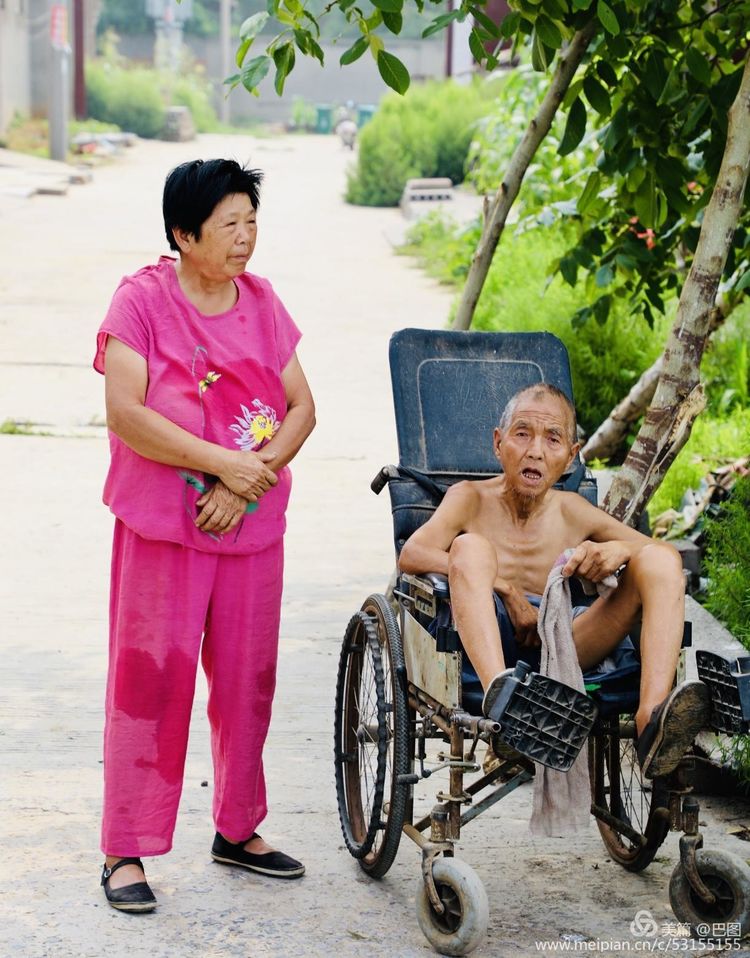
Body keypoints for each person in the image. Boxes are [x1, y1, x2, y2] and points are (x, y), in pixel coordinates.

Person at [93, 158, 316, 913]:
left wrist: (246, 478)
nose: (246, 239)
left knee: (248, 686)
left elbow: (301, 410)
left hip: (250, 532)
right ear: (184, 234)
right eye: (230, 225)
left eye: (252, 222)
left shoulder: (263, 301)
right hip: (164, 530)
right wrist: (224, 463)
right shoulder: (140, 303)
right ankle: (126, 849)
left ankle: (238, 829)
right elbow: (125, 412)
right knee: (150, 684)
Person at [398, 382, 709, 779]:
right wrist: (505, 588)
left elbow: (665, 556)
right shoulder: (469, 498)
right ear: (498, 443)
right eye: (522, 434)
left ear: (570, 457)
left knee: (658, 563)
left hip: (561, 648)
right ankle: (506, 703)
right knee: (471, 548)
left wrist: (620, 552)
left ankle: (652, 724)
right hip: (481, 650)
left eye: (553, 439)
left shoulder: (573, 512)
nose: (535, 451)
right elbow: (413, 554)